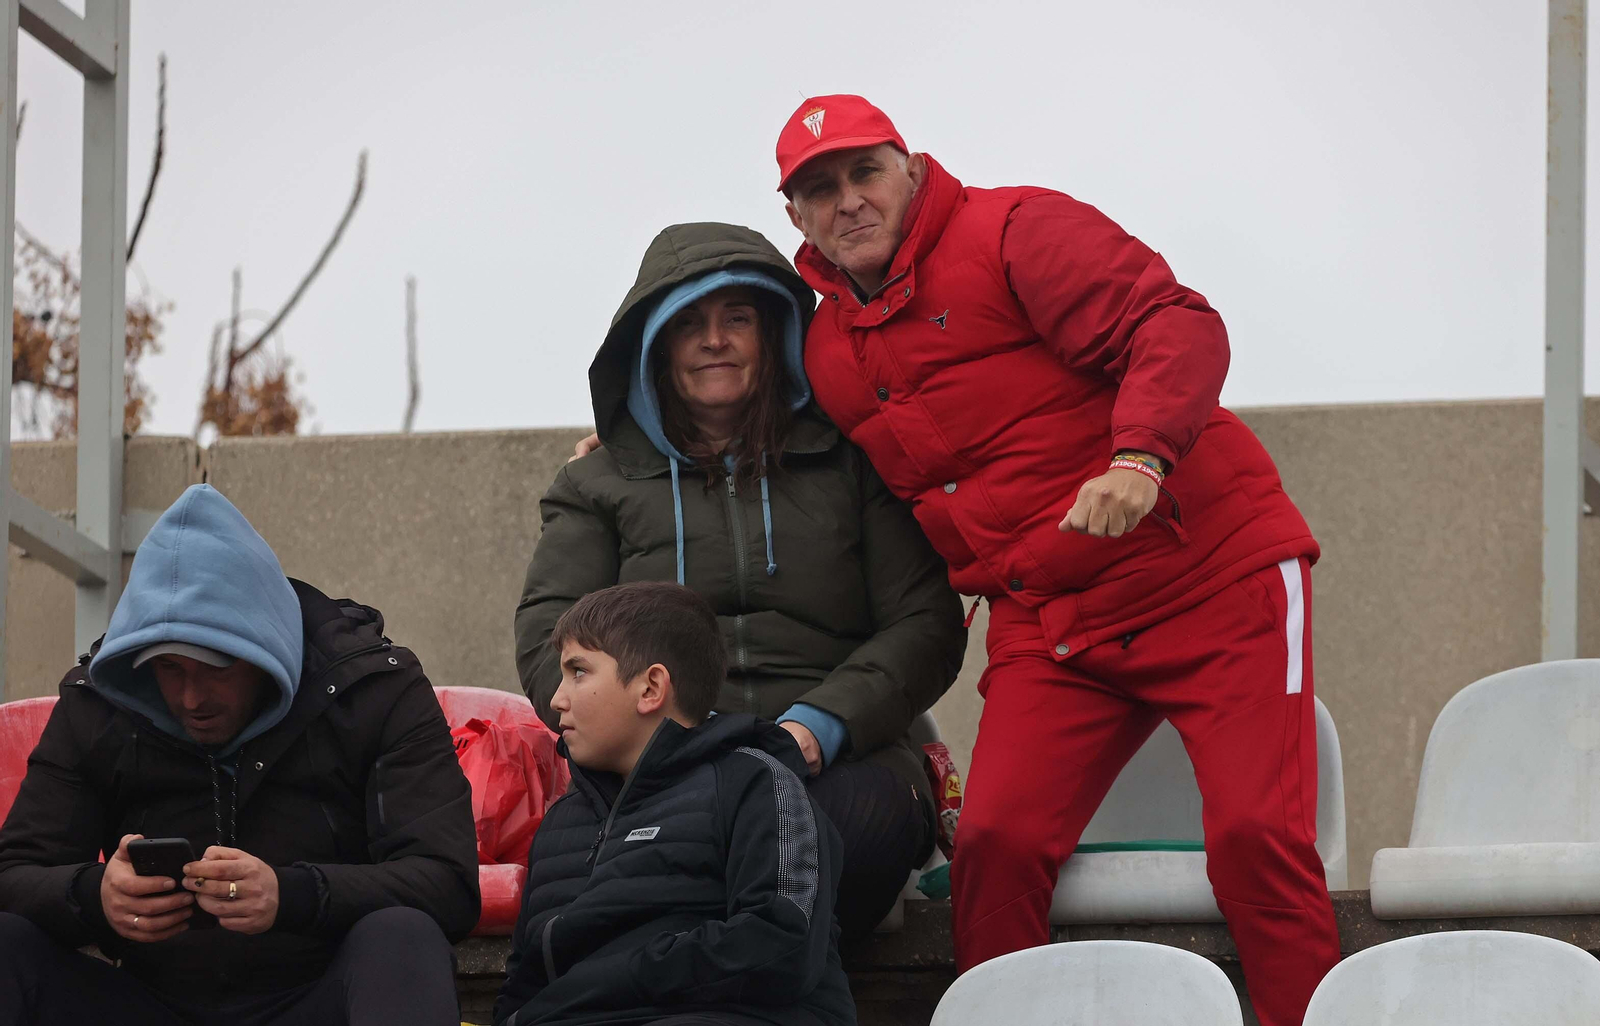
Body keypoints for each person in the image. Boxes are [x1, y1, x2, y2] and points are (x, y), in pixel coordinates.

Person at [770, 95, 1342, 1026]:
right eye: (819, 189)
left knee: (1254, 838)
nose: (850, 202)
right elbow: (751, 410)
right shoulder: (829, 345)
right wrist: (628, 435)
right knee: (991, 849)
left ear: (910, 169)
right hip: (1053, 618)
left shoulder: (1014, 229)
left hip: (1209, 575)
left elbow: (1178, 322)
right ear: (795, 216)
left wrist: (1140, 456)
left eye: (865, 172)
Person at [517, 221, 965, 937]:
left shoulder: (857, 460)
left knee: (817, 839)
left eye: (738, 317)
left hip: (841, 759)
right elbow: (548, 644)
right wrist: (662, 745)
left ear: (777, 333)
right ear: (655, 346)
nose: (714, 339)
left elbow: (927, 624)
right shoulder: (595, 484)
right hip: (653, 764)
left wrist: (817, 729)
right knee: (588, 867)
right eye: (687, 322)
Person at [0, 484, 480, 1026]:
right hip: (146, 1001)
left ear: (268, 645)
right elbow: (14, 874)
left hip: (321, 998)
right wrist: (95, 896)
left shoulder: (372, 690)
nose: (191, 698)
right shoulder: (101, 702)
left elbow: (447, 884)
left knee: (403, 935)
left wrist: (292, 894)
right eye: (169, 668)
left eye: (216, 668)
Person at [496, 581, 855, 1026]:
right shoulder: (560, 826)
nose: (556, 698)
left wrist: (595, 986)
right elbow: (521, 985)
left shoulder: (755, 784)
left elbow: (781, 943)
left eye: (579, 671)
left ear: (651, 688)